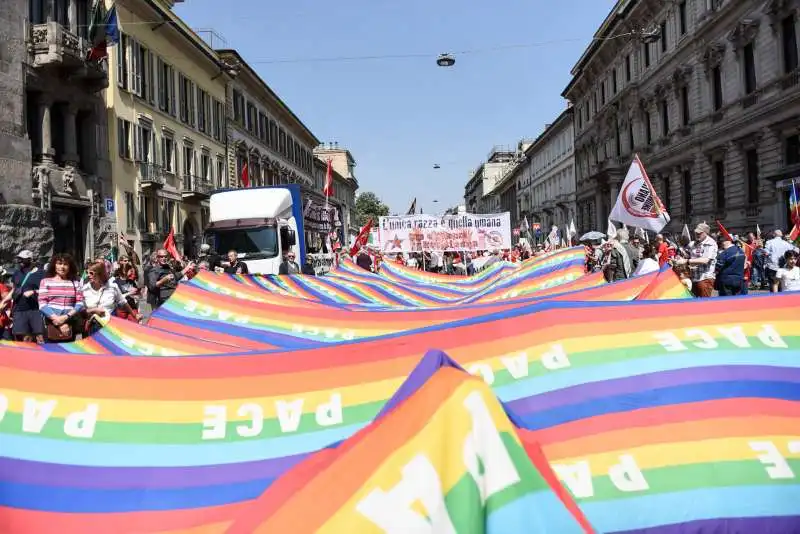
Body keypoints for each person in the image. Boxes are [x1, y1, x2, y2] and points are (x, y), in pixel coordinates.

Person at [0, 250, 46, 343]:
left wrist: (34, 291)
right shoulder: (17, 273)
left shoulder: (42, 274)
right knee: (24, 339)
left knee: (40, 338)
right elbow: (14, 290)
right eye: (19, 259)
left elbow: (47, 291)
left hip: (36, 310)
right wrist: (4, 302)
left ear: (31, 260)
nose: (19, 261)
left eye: (22, 259)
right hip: (19, 310)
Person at [38, 253, 85, 342]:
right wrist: (56, 319)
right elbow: (42, 304)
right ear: (54, 265)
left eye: (65, 264)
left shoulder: (75, 283)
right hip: (51, 323)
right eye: (59, 263)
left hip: (69, 324)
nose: (62, 267)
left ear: (70, 267)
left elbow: (80, 303)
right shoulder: (45, 282)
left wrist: (66, 317)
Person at [83, 261, 141, 333]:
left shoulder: (112, 287)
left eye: (91, 273)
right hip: (93, 326)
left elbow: (123, 302)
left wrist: (134, 315)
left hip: (110, 325)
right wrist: (93, 310)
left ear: (100, 274)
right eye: (87, 273)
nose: (88, 275)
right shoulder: (85, 289)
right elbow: (81, 310)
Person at [674, 223, 717, 298]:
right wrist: (679, 257)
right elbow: (687, 253)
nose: (697, 234)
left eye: (699, 233)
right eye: (696, 232)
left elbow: (705, 260)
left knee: (704, 305)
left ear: (706, 233)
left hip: (704, 278)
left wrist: (686, 261)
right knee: (695, 304)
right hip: (694, 278)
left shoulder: (710, 243)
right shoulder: (694, 243)